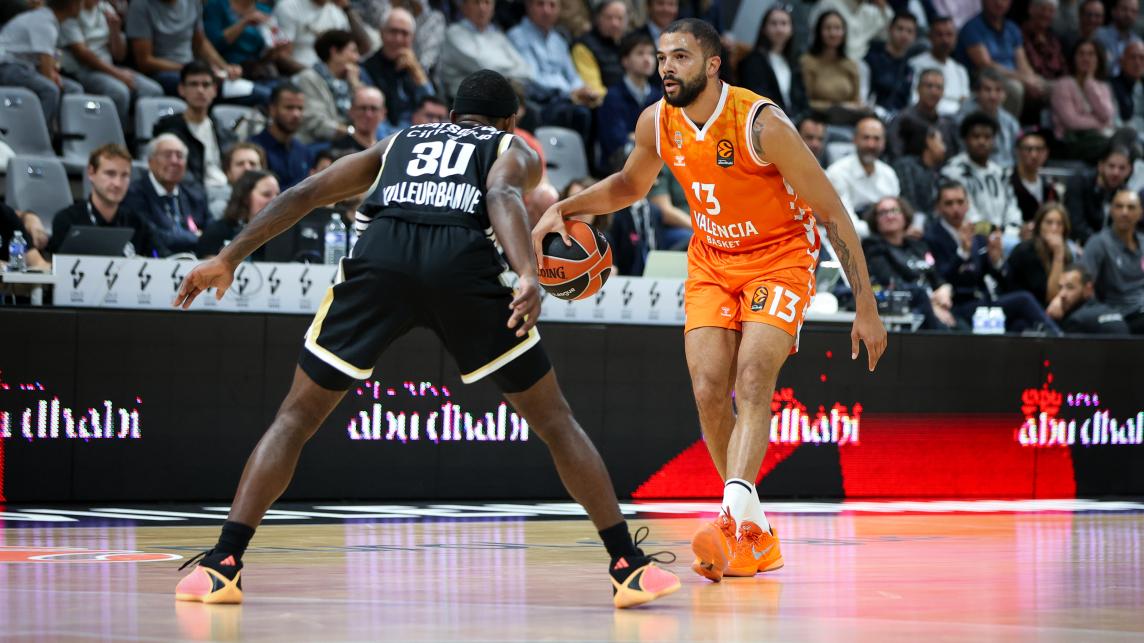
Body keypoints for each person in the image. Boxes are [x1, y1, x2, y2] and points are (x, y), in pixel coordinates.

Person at [172, 69, 681, 610]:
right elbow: (502, 193)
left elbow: (305, 192)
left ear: (455, 112)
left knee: (295, 417)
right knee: (555, 421)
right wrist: (527, 273)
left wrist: (227, 257)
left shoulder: (400, 141)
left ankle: (223, 563)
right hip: (460, 264)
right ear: (511, 120)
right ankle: (627, 564)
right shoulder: (513, 145)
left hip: (381, 256)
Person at [533, 19, 886, 583]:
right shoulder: (657, 121)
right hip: (712, 260)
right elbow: (630, 185)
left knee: (752, 377)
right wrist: (571, 209)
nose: (665, 66)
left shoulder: (761, 122)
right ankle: (754, 533)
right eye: (660, 56)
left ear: (713, 64)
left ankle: (730, 519)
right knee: (707, 390)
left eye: (679, 56)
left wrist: (865, 305)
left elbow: (832, 212)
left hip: (780, 256)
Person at [924, 179, 1062, 332]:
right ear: (938, 207)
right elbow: (941, 279)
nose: (956, 208)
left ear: (968, 204)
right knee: (1024, 299)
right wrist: (962, 254)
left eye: (960, 202)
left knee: (1020, 326)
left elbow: (1003, 280)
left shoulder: (978, 234)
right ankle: (1061, 340)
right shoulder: (931, 237)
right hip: (957, 306)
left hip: (984, 303)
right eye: (949, 203)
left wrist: (997, 261)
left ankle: (1052, 350)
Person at [59, 0, 165, 127]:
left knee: (152, 90)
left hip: (109, 66)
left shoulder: (105, 7)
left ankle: (142, 137)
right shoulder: (71, 10)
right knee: (119, 93)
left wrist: (115, 29)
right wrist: (118, 74)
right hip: (82, 70)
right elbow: (83, 54)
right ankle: (113, 139)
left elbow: (119, 55)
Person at [862, 196, 957, 329]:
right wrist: (930, 306)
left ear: (905, 216)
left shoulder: (918, 245)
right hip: (908, 308)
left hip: (937, 305)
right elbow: (891, 283)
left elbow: (935, 276)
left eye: (895, 211)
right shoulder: (873, 247)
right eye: (883, 213)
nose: (890, 216)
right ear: (875, 220)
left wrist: (944, 289)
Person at [152, 60, 238, 207]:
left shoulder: (224, 132)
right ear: (181, 89)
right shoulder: (169, 128)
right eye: (193, 84)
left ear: (215, 90)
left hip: (228, 191)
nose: (200, 90)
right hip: (195, 196)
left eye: (206, 85)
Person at [50, 143, 154, 256]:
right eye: (110, 174)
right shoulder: (68, 220)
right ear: (91, 173)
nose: (118, 183)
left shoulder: (137, 224)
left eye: (124, 175)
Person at [126, 0, 241, 95]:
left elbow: (200, 43)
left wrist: (225, 67)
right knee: (200, 87)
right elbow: (145, 61)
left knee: (249, 92)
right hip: (161, 72)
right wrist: (190, 69)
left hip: (191, 68)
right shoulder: (140, 5)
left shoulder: (193, 2)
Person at [0, 0, 84, 127]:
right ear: (73, 5)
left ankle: (70, 137)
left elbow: (46, 65)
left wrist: (53, 75)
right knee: (50, 90)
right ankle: (39, 138)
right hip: (7, 66)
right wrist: (52, 76)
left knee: (74, 89)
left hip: (26, 67)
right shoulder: (45, 22)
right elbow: (46, 69)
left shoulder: (48, 19)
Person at [942, 111, 1023, 242]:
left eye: (987, 137)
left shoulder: (1000, 172)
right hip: (969, 237)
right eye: (976, 136)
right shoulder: (953, 172)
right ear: (965, 139)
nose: (982, 142)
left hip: (1004, 236)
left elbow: (1012, 208)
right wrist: (996, 232)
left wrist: (1013, 231)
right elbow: (966, 216)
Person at [123, 133, 207, 256]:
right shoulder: (134, 194)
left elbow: (212, 235)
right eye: (167, 155)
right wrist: (197, 237)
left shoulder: (195, 195)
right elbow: (154, 236)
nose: (174, 161)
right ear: (150, 162)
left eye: (179, 156)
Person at [825, 115, 902, 237]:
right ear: (854, 140)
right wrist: (882, 230)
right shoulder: (837, 173)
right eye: (866, 138)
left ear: (883, 143)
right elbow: (844, 221)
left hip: (885, 239)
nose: (871, 144)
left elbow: (897, 212)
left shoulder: (889, 174)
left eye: (876, 139)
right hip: (852, 241)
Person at [439, 0, 532, 99]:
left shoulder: (497, 35)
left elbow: (526, 71)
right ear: (464, 7)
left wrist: (506, 78)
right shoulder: (454, 34)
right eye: (476, 2)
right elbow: (485, 68)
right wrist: (511, 76)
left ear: (493, 8)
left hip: (499, 97)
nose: (482, 8)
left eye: (487, 2)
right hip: (467, 101)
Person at [1081, 188, 1144, 332]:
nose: (1124, 212)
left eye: (1131, 207)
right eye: (1119, 206)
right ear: (1111, 210)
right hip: (1119, 313)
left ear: (1140, 213)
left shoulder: (1143, 242)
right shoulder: (1098, 243)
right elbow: (1084, 284)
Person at [360, 7, 434, 128]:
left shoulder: (417, 67)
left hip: (420, 134)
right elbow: (372, 117)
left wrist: (417, 74)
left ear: (412, 38)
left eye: (404, 33)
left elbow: (432, 108)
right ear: (381, 33)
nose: (398, 39)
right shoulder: (367, 68)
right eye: (393, 32)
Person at [596, 30, 661, 167]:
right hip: (618, 167)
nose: (647, 59)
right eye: (640, 53)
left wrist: (634, 136)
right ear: (625, 61)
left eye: (650, 54)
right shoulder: (613, 97)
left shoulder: (659, 97)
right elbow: (616, 141)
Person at [294, 29, 371, 144]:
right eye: (353, 51)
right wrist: (352, 133)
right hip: (317, 144)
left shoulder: (351, 80)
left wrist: (355, 85)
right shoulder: (309, 79)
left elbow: (371, 113)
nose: (357, 58)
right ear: (334, 52)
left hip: (349, 141)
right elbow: (316, 123)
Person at [1051, 38, 1115, 163]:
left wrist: (1090, 84)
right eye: (1081, 54)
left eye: (1091, 54)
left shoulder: (1103, 87)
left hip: (1099, 139)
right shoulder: (1062, 85)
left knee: (1127, 141)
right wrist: (1101, 123)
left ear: (1098, 59)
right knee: (1115, 144)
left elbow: (1107, 115)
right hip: (1073, 141)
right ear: (1074, 58)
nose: (1086, 58)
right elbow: (1072, 122)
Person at [738, 4, 808, 118]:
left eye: (784, 24)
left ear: (791, 30)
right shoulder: (753, 61)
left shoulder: (793, 63)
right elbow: (759, 99)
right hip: (768, 121)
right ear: (764, 29)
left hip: (795, 122)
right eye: (774, 23)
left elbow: (803, 100)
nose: (779, 29)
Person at [801, 10, 866, 126]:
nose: (833, 33)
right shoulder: (808, 62)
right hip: (817, 121)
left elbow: (856, 102)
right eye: (828, 28)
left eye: (837, 28)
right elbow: (805, 101)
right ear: (819, 31)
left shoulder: (851, 64)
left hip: (848, 122)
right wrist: (836, 108)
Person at [1004, 201, 1073, 307]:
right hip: (1023, 309)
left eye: (1059, 224)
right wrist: (1058, 255)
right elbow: (1050, 296)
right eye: (1049, 222)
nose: (1054, 228)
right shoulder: (1026, 251)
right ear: (1039, 225)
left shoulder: (1067, 252)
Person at [196, 169, 278, 257]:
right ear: (245, 197)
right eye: (266, 194)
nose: (276, 200)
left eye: (278, 195)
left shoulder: (284, 235)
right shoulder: (217, 232)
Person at [249, 83, 316, 189]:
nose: (296, 114)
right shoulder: (253, 149)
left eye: (300, 108)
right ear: (272, 109)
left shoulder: (305, 152)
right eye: (289, 108)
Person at [1066, 144, 1134, 243]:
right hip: (1077, 243)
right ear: (1101, 166)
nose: (1116, 172)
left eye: (1122, 168)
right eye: (1111, 166)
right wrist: (1103, 246)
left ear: (1129, 170)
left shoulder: (1125, 193)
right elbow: (1076, 224)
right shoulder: (1079, 183)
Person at [887, 68, 959, 159]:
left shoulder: (948, 125)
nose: (934, 92)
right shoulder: (902, 120)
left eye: (939, 87)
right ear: (918, 89)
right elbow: (895, 155)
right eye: (929, 86)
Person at [957, 68, 1021, 168]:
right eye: (987, 90)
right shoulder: (962, 119)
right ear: (977, 93)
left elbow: (1016, 156)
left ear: (1005, 95)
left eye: (998, 90)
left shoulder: (1011, 122)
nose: (993, 96)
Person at [908, 16, 971, 117]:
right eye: (939, 35)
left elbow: (965, 103)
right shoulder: (914, 64)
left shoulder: (960, 70)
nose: (945, 40)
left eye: (949, 35)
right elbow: (913, 99)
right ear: (930, 37)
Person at [1047, 263, 1132, 333]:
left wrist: (1051, 320)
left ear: (1088, 289)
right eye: (1060, 288)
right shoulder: (1115, 313)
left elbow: (1057, 351)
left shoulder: (1077, 320)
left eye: (1070, 287)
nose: (1062, 294)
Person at [570, 0, 629, 97]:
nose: (615, 23)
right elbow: (594, 91)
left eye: (620, 18)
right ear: (598, 19)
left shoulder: (631, 43)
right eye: (609, 18)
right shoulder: (583, 46)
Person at [891, 118, 946, 221]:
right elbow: (909, 202)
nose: (944, 148)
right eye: (941, 141)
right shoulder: (905, 166)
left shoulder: (936, 172)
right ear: (929, 141)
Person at [864, 12, 917, 115]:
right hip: (872, 115)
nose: (904, 35)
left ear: (914, 36)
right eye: (900, 29)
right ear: (890, 29)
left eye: (909, 31)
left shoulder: (910, 68)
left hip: (900, 120)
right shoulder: (870, 60)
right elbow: (863, 97)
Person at [1008, 128, 1061, 225]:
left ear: (1046, 153)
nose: (1034, 155)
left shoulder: (1050, 187)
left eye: (1039, 149)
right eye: (1029, 149)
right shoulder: (1007, 182)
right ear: (1018, 151)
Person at [209, 141, 267, 218]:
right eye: (240, 164)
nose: (247, 168)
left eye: (252, 164)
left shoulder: (271, 201)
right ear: (228, 172)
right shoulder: (218, 207)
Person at [330, 86, 387, 154]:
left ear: (383, 113)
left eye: (374, 109)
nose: (368, 114)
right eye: (362, 108)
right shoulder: (337, 149)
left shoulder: (388, 149)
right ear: (351, 111)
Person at [1094, 0, 1142, 76]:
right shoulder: (1099, 36)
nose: (1128, 14)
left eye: (1133, 11)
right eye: (1124, 9)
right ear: (1113, 11)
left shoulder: (1138, 43)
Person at [1110, 40, 1144, 131]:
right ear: (1122, 61)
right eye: (1133, 57)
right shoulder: (1110, 86)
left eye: (1142, 58)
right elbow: (1115, 122)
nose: (1137, 63)